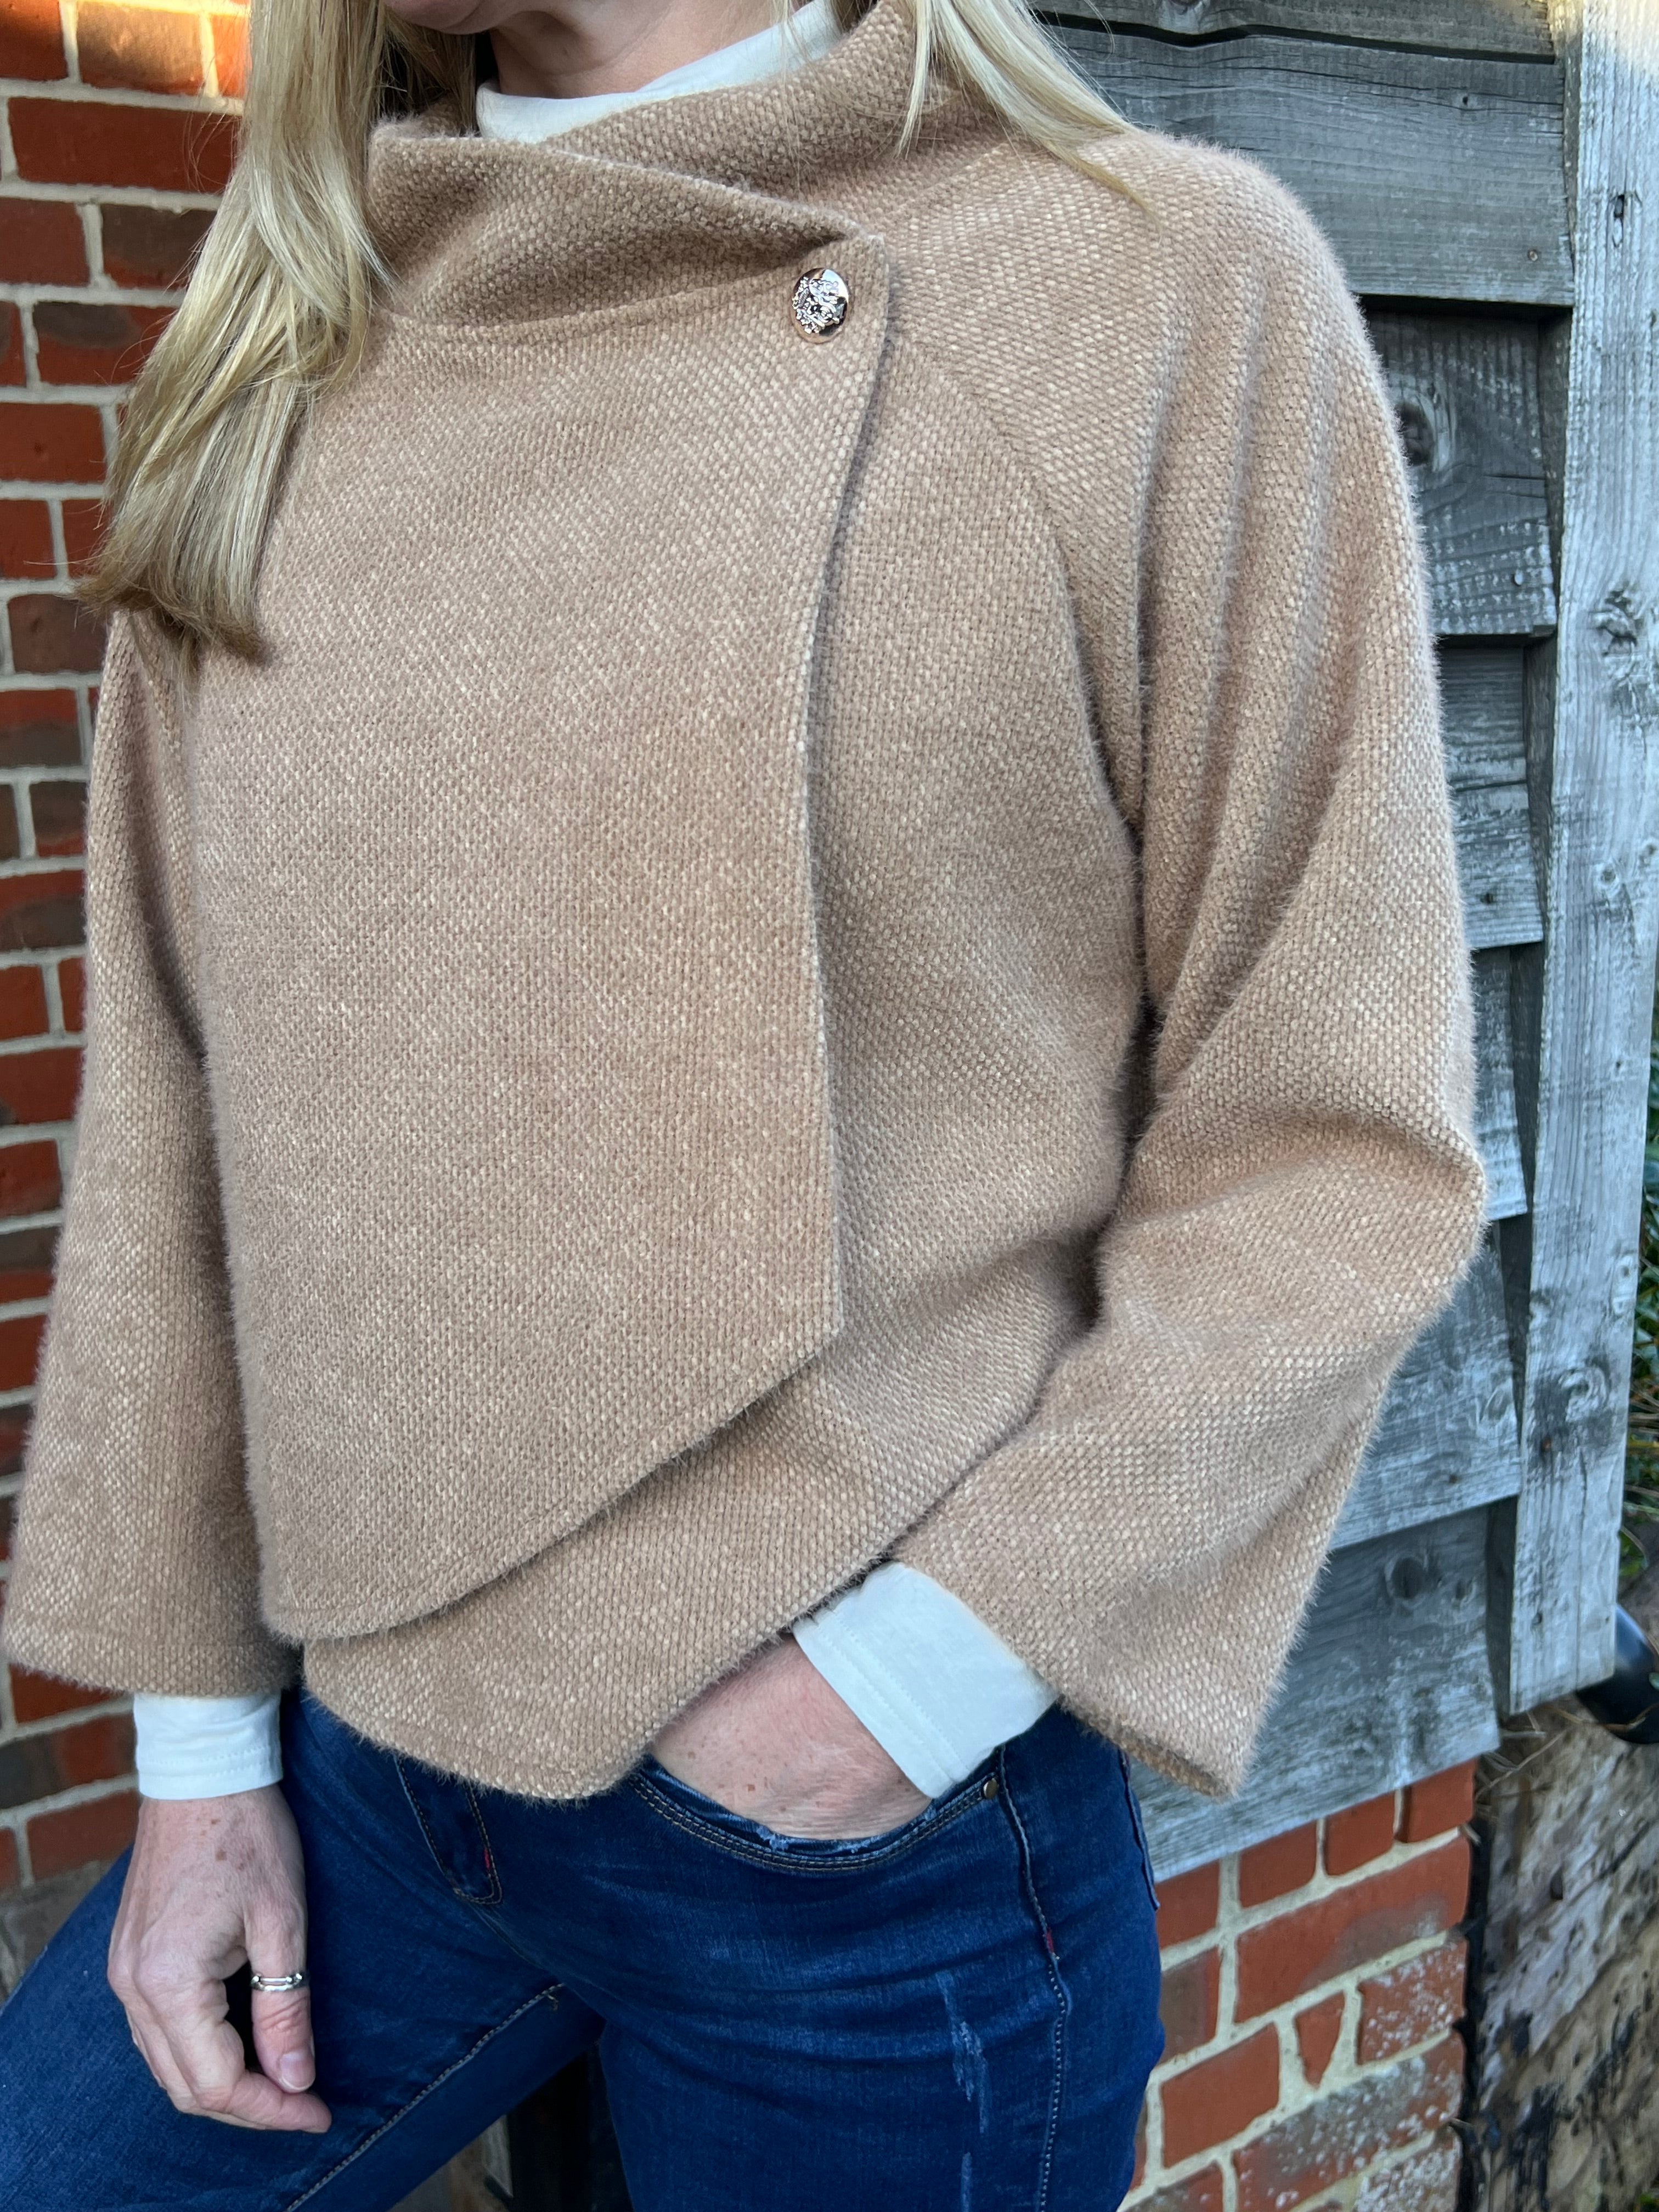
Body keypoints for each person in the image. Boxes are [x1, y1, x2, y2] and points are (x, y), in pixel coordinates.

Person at [0, 0, 1489, 2199]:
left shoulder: (1149, 284)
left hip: (855, 1849)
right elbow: (175, 1109)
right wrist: (201, 1754)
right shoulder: (274, 372)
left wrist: (894, 1695)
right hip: (370, 1777)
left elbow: (1333, 1140)